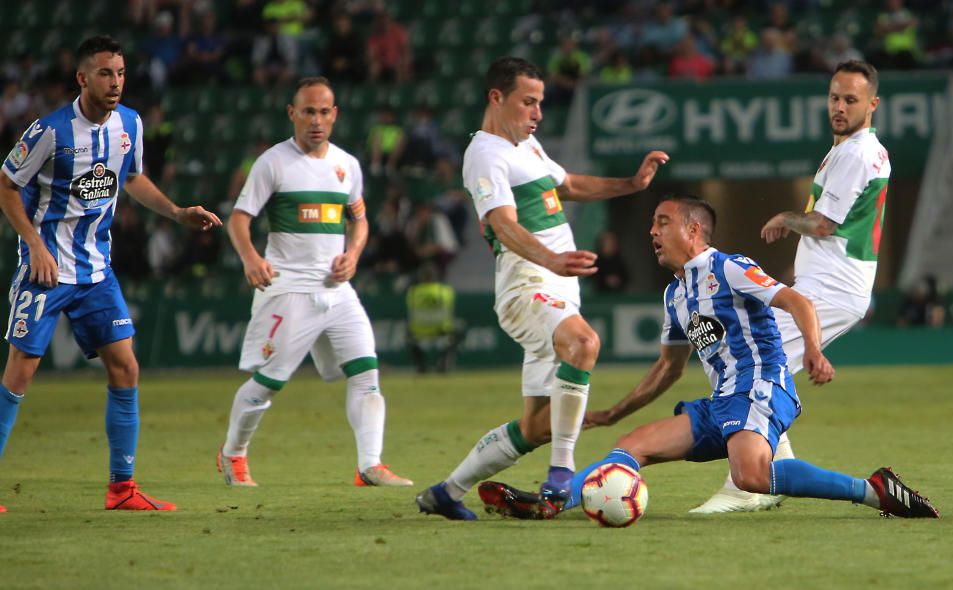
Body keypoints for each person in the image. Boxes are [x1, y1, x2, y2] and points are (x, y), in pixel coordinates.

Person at [479, 197, 939, 520]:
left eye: (663, 222)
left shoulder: (729, 267)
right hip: (721, 402)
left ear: (693, 230)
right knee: (632, 444)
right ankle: (552, 501)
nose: (652, 231)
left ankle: (874, 490)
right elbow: (668, 368)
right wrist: (615, 411)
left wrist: (813, 350)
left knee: (751, 475)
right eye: (653, 223)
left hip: (761, 385)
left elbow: (798, 302)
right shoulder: (675, 294)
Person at [415, 56, 668, 520]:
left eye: (541, 103)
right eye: (528, 102)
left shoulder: (526, 147)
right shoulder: (486, 154)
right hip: (526, 284)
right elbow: (502, 224)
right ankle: (561, 474)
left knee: (536, 426)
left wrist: (631, 183)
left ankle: (447, 493)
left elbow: (568, 184)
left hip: (555, 288)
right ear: (497, 98)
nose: (537, 113)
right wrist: (551, 259)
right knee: (584, 342)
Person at [0, 35, 222, 513]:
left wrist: (178, 212)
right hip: (47, 271)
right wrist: (35, 245)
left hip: (97, 271)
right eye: (105, 73)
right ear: (83, 78)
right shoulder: (50, 132)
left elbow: (133, 178)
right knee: (20, 373)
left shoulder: (129, 124)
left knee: (126, 367)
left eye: (120, 73)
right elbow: (5, 184)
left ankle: (122, 489)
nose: (116, 82)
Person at [683, 59, 893, 513]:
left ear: (873, 104)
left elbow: (822, 223)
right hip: (834, 284)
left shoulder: (855, 154)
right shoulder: (858, 150)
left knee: (750, 362)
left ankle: (747, 486)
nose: (839, 107)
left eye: (851, 100)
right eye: (835, 97)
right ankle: (774, 469)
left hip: (834, 288)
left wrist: (785, 218)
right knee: (753, 361)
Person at [217, 76, 412, 489]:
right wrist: (251, 258)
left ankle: (370, 466)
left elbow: (359, 219)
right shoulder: (273, 162)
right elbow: (239, 218)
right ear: (292, 114)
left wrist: (354, 255)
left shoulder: (347, 165)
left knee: (366, 372)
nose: (316, 120)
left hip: (337, 291)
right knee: (270, 381)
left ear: (335, 115)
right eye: (308, 111)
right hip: (288, 289)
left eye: (324, 112)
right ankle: (233, 454)